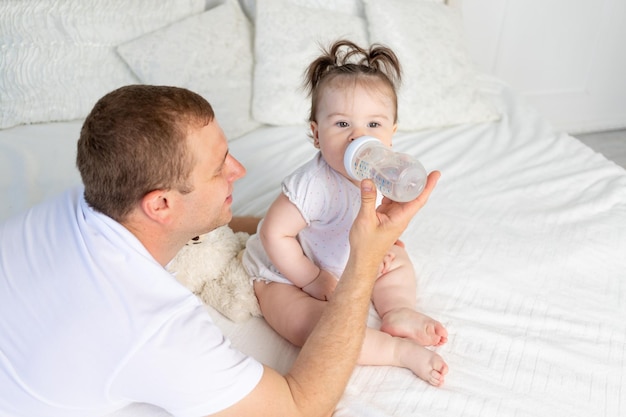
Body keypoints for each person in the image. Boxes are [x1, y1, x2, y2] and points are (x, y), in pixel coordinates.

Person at [0, 84, 441, 416]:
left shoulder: (76, 204)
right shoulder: (155, 326)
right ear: (161, 204)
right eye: (219, 169)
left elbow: (226, 227)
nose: (240, 170)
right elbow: (299, 409)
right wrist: (363, 263)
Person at [244, 40, 448, 386]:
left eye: (373, 125)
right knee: (313, 327)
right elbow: (274, 233)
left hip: (351, 260)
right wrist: (311, 279)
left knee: (398, 261)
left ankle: (398, 310)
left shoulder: (383, 171)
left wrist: (383, 246)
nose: (359, 138)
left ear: (391, 135)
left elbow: (373, 222)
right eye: (341, 125)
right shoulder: (311, 184)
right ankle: (396, 352)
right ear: (316, 134)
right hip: (287, 273)